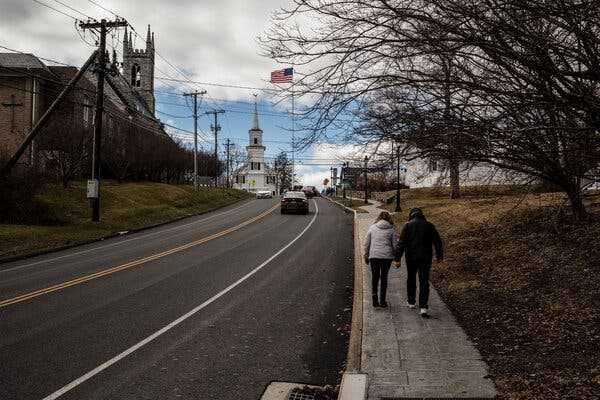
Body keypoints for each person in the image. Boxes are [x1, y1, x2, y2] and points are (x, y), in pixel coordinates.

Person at [394, 208, 443, 318]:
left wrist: (397, 258)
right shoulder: (429, 225)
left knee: (411, 278)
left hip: (411, 257)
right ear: (422, 215)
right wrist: (439, 256)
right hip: (425, 258)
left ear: (411, 215)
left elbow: (401, 243)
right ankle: (423, 307)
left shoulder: (407, 226)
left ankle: (411, 302)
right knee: (424, 281)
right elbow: (437, 242)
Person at [363, 211, 397, 308]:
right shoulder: (391, 229)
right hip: (387, 257)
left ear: (379, 218)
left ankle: (374, 297)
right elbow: (395, 245)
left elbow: (366, 243)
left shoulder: (372, 227)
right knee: (384, 277)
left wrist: (366, 255)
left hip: (374, 256)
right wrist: (396, 257)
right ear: (389, 218)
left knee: (375, 276)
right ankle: (382, 301)